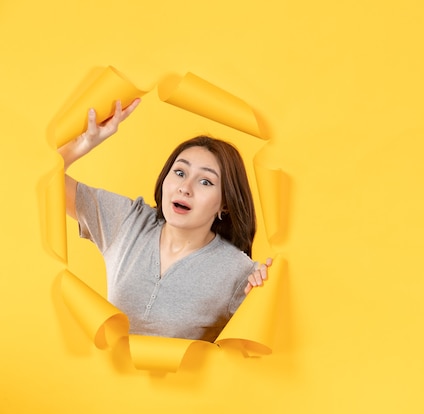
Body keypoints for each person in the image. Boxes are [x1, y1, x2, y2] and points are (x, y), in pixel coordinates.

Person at [58, 98, 271, 342]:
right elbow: (44, 179)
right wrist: (81, 144)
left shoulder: (239, 272)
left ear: (224, 204)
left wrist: (266, 291)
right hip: (104, 379)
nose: (185, 188)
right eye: (180, 172)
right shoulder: (127, 221)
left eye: (206, 182)